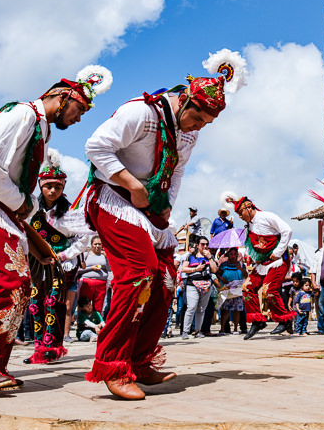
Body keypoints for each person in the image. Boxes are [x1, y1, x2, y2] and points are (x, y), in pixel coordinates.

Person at [83, 48, 246, 399]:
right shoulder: (141, 113)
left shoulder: (189, 131)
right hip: (113, 199)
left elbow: (178, 171)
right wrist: (132, 184)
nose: (199, 128)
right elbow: (96, 147)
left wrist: (165, 209)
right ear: (185, 102)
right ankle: (112, 366)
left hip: (150, 210)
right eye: (198, 119)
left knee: (166, 281)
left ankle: (139, 361)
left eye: (206, 124)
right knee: (137, 274)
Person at [0, 66, 106, 391]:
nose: (79, 119)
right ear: (62, 97)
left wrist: (30, 225)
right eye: (79, 109)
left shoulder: (40, 127)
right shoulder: (23, 114)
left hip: (3, 209)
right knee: (11, 282)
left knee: (19, 285)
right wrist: (19, 203)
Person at [25, 154, 93, 364]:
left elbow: (85, 238)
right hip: (36, 263)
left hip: (60, 264)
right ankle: (38, 348)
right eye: (48, 186)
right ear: (40, 186)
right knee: (35, 304)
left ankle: (52, 348)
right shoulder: (30, 209)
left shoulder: (71, 212)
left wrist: (64, 255)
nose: (53, 190)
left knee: (53, 303)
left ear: (63, 187)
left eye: (57, 186)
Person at [222, 192, 294, 340]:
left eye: (241, 212)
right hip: (263, 262)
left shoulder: (267, 216)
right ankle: (257, 321)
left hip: (278, 260)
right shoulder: (249, 225)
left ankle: (285, 320)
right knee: (247, 287)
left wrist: (279, 252)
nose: (240, 216)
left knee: (269, 289)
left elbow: (287, 230)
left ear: (248, 207)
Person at [180, 237, 218, 339]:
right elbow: (183, 269)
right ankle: (185, 331)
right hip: (193, 283)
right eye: (202, 244)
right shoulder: (190, 257)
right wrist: (196, 269)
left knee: (201, 309)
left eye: (206, 244)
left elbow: (214, 270)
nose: (205, 246)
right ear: (197, 245)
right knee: (191, 307)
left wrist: (210, 258)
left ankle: (198, 330)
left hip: (206, 284)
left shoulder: (210, 257)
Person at [217, 247, 247, 335]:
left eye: (235, 254)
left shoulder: (241, 265)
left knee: (237, 309)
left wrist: (240, 269)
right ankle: (222, 329)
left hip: (237, 288)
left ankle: (235, 329)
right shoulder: (223, 264)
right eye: (231, 254)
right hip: (227, 288)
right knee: (225, 309)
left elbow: (246, 275)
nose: (233, 256)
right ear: (228, 255)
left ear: (237, 255)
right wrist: (222, 279)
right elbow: (218, 273)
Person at [309, 247, 324, 335]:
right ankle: (322, 328)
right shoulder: (319, 253)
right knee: (321, 306)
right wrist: (314, 283)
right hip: (322, 284)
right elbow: (313, 270)